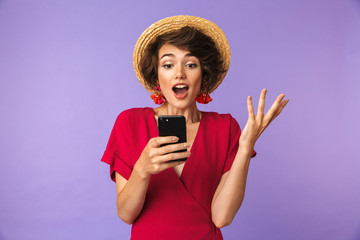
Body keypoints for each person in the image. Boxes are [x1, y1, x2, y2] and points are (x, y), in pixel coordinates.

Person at [101, 15, 289, 240]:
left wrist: (246, 148)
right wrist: (142, 169)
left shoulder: (225, 127)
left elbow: (222, 217)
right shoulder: (130, 123)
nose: (179, 73)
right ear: (157, 76)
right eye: (168, 65)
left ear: (203, 74)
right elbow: (126, 214)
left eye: (191, 64)